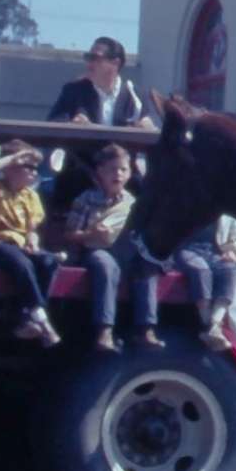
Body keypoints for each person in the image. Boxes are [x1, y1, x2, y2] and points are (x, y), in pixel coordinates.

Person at [64, 143, 158, 353]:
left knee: (147, 266)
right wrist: (90, 234)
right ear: (100, 171)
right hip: (94, 251)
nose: (118, 174)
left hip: (123, 253)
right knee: (106, 265)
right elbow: (69, 234)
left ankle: (146, 328)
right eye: (113, 169)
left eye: (123, 169)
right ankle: (105, 330)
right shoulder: (86, 200)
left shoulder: (133, 203)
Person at [46, 36, 154, 209]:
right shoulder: (74, 91)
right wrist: (72, 125)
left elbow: (147, 126)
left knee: (149, 197)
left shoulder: (135, 95)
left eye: (95, 58)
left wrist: (146, 127)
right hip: (83, 171)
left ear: (115, 63)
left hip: (123, 174)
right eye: (88, 57)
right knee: (61, 190)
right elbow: (54, 123)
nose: (89, 63)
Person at [0, 141, 61, 346]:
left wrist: (33, 241)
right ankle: (40, 317)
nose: (34, 172)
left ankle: (27, 317)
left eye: (35, 168)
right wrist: (13, 158)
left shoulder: (31, 196)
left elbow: (32, 229)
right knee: (22, 263)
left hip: (21, 245)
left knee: (48, 261)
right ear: (10, 168)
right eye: (27, 166)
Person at [171, 216, 236, 351]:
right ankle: (206, 324)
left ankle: (215, 324)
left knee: (230, 270)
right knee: (201, 270)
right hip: (187, 250)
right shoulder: (184, 206)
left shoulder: (227, 213)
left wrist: (234, 252)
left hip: (214, 252)